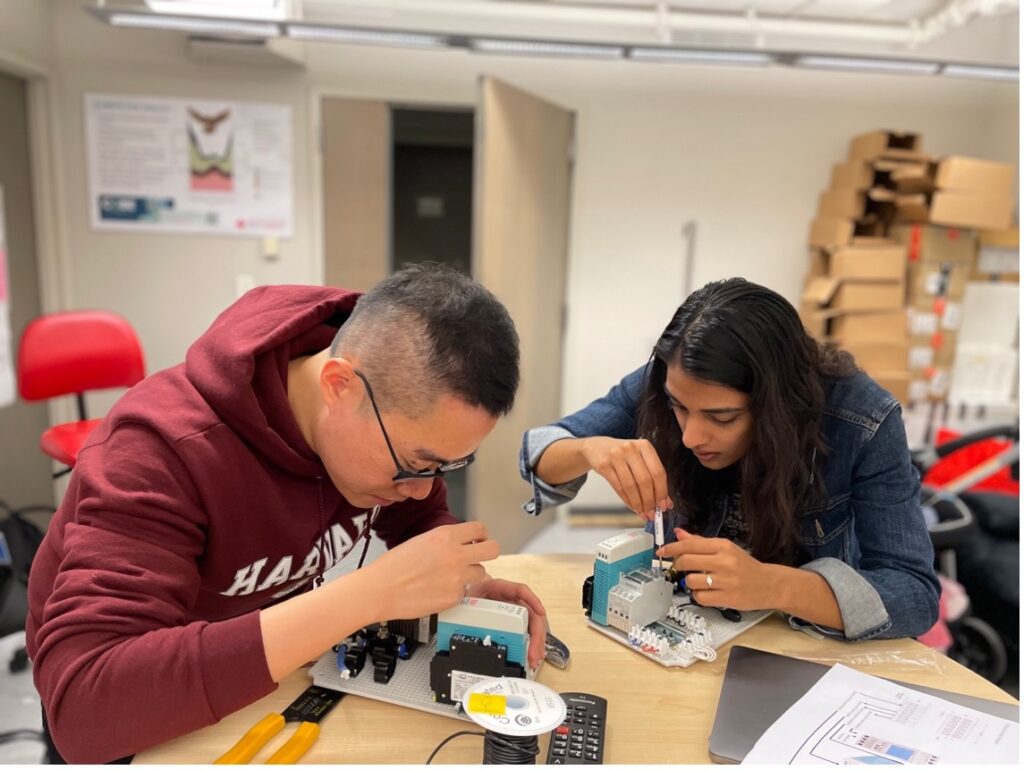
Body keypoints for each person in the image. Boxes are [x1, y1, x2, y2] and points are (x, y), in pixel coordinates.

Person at [27, 264, 547, 763]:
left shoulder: (380, 427)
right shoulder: (161, 451)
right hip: (143, 710)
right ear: (338, 385)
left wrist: (459, 584)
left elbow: (419, 517)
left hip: (256, 689)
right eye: (416, 463)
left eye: (449, 465)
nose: (419, 490)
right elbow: (85, 710)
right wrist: (367, 596)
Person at [520, 277, 939, 642]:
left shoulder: (862, 420)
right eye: (678, 408)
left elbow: (914, 595)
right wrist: (590, 449)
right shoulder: (672, 380)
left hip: (803, 654)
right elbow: (539, 452)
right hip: (680, 628)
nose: (689, 436)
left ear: (778, 404)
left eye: (722, 418)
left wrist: (773, 585)